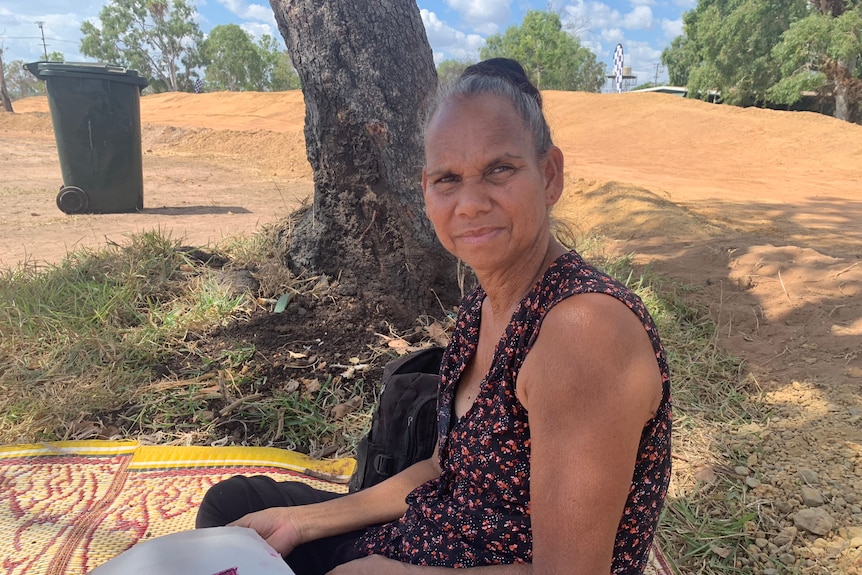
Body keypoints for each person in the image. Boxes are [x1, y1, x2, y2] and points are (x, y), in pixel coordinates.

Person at [196, 57, 672, 575]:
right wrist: (302, 522)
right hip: (430, 532)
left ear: (549, 175)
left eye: (500, 169)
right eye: (448, 178)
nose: (469, 203)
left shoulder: (584, 334)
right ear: (425, 190)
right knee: (236, 509)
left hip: (457, 563)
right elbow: (449, 467)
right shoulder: (487, 302)